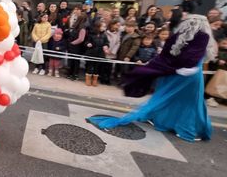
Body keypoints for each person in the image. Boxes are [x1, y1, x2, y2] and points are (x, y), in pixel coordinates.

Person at [88, 12, 216, 142]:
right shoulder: (202, 36)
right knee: (189, 103)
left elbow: (164, 56)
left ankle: (162, 120)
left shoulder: (176, 36)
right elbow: (192, 58)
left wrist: (157, 66)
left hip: (170, 74)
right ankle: (185, 129)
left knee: (165, 98)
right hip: (189, 76)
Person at [84, 21, 109, 86]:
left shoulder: (104, 35)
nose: (104, 28)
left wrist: (106, 46)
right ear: (98, 27)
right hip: (91, 53)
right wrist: (88, 44)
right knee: (89, 66)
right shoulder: (91, 34)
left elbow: (106, 43)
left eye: (105, 26)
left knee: (97, 67)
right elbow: (86, 42)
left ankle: (95, 80)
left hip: (100, 53)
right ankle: (88, 79)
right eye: (103, 26)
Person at [66, 12, 88, 81]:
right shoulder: (76, 25)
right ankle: (70, 73)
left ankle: (75, 75)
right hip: (72, 47)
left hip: (77, 47)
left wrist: (72, 43)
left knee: (76, 62)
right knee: (71, 61)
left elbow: (81, 39)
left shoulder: (82, 28)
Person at [101, 20, 121, 85]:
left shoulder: (117, 33)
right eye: (116, 25)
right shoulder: (105, 32)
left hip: (112, 53)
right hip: (104, 52)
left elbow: (118, 43)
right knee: (103, 66)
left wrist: (113, 51)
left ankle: (108, 79)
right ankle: (102, 78)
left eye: (118, 25)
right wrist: (106, 50)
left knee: (110, 67)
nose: (117, 26)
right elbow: (103, 41)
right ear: (112, 24)